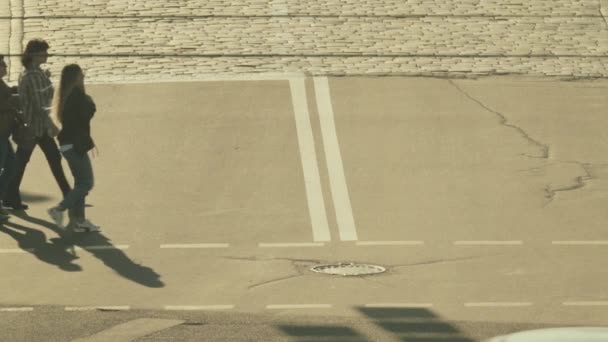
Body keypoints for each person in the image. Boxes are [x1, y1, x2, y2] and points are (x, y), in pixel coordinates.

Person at [4, 39, 71, 210]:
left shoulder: (33, 73)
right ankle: (10, 196)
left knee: (46, 159)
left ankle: (68, 194)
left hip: (35, 127)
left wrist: (45, 78)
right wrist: (53, 124)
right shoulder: (33, 76)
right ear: (34, 55)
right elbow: (40, 105)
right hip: (35, 127)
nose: (46, 55)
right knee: (22, 163)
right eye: (43, 52)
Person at [47, 64, 99, 232]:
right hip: (74, 144)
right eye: (80, 75)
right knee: (86, 183)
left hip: (67, 144)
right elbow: (86, 114)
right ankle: (59, 209)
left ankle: (79, 221)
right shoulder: (77, 96)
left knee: (80, 183)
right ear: (75, 78)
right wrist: (90, 102)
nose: (83, 77)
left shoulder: (65, 96)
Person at [0, 55, 19, 221]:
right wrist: (12, 101)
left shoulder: (2, 84)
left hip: (4, 135)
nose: (5, 67)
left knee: (11, 167)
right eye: (2, 65)